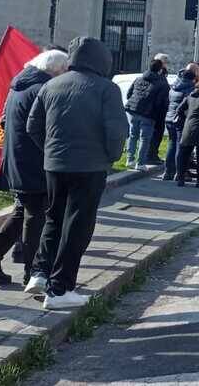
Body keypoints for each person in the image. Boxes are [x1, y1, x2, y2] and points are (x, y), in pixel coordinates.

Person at [25, 37, 127, 309]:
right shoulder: (107, 88)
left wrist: (50, 150)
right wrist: (111, 157)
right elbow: (116, 131)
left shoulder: (51, 84)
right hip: (90, 166)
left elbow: (33, 126)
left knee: (54, 218)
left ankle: (39, 272)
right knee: (78, 225)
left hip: (55, 164)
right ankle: (60, 290)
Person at [0, 49, 69, 287]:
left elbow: (5, 121)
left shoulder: (19, 85)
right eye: (64, 70)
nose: (65, 75)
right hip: (34, 162)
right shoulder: (41, 90)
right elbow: (44, 129)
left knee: (22, 212)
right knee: (36, 217)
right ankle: (33, 272)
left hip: (17, 158)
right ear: (55, 70)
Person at [124, 59, 169, 170]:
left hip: (133, 110)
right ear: (160, 70)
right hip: (148, 114)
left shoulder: (139, 78)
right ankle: (140, 163)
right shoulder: (162, 83)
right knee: (145, 138)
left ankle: (129, 160)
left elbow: (129, 94)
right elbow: (160, 102)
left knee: (133, 135)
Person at [162, 65, 196, 181]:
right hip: (180, 119)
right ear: (192, 79)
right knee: (180, 147)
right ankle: (179, 173)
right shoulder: (190, 89)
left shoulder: (174, 87)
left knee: (171, 145)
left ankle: (167, 172)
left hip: (169, 118)